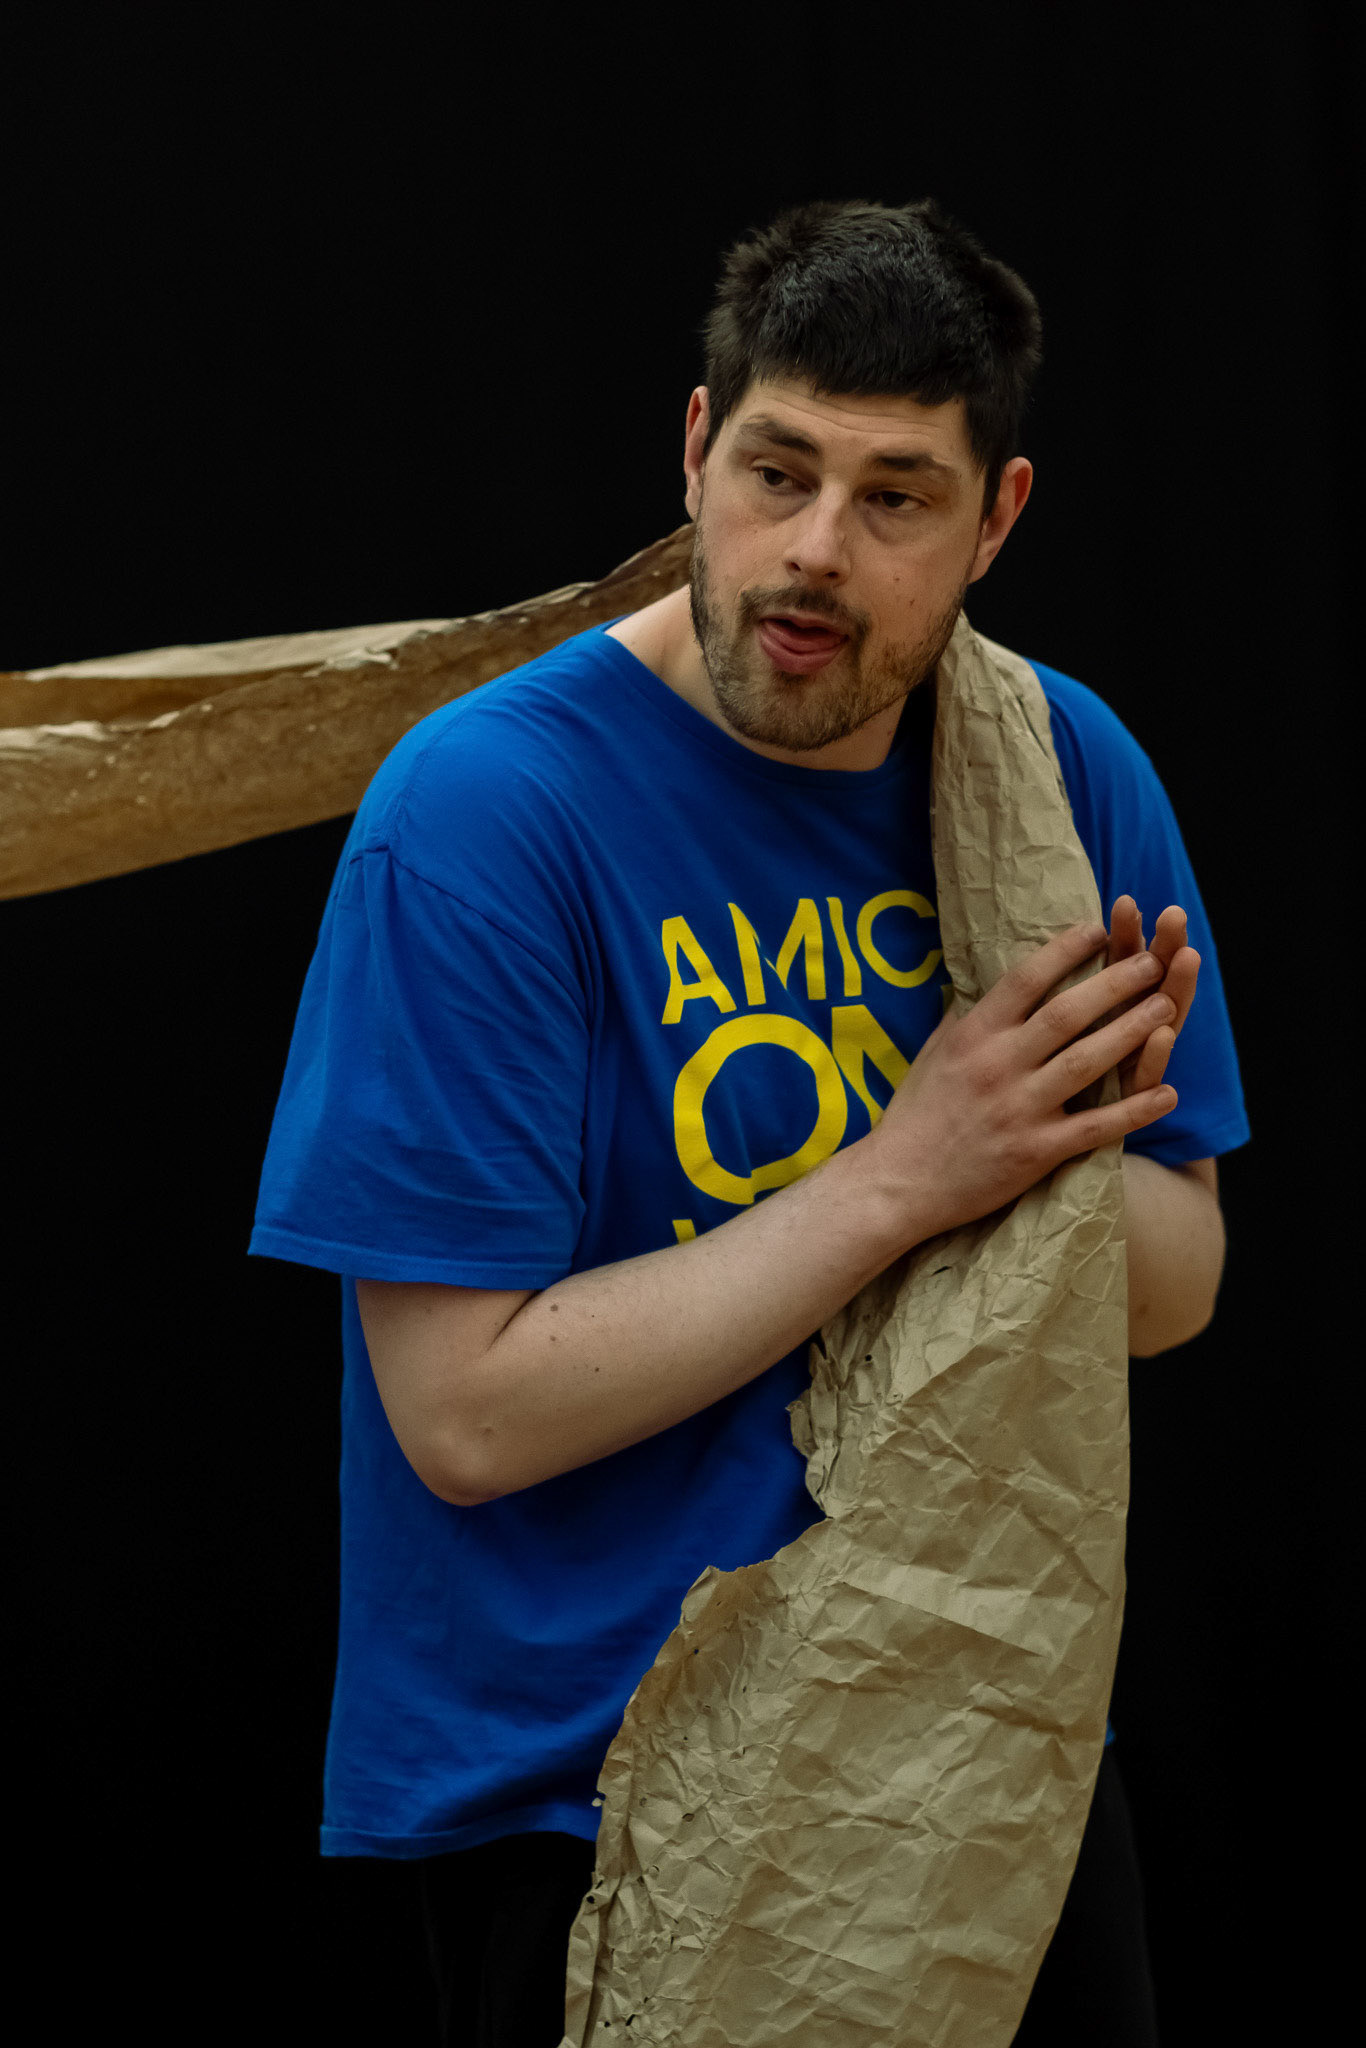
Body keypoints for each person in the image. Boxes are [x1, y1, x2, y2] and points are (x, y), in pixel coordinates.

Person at [248, 196, 1247, 2047]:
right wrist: (912, 1172)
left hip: (984, 1742)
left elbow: (1174, 1288)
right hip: (593, 1792)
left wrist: (1050, 1149)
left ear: (995, 518)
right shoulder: (483, 813)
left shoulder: (1056, 771)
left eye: (895, 498)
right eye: (777, 472)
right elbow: (464, 1415)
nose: (812, 552)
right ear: (697, 446)